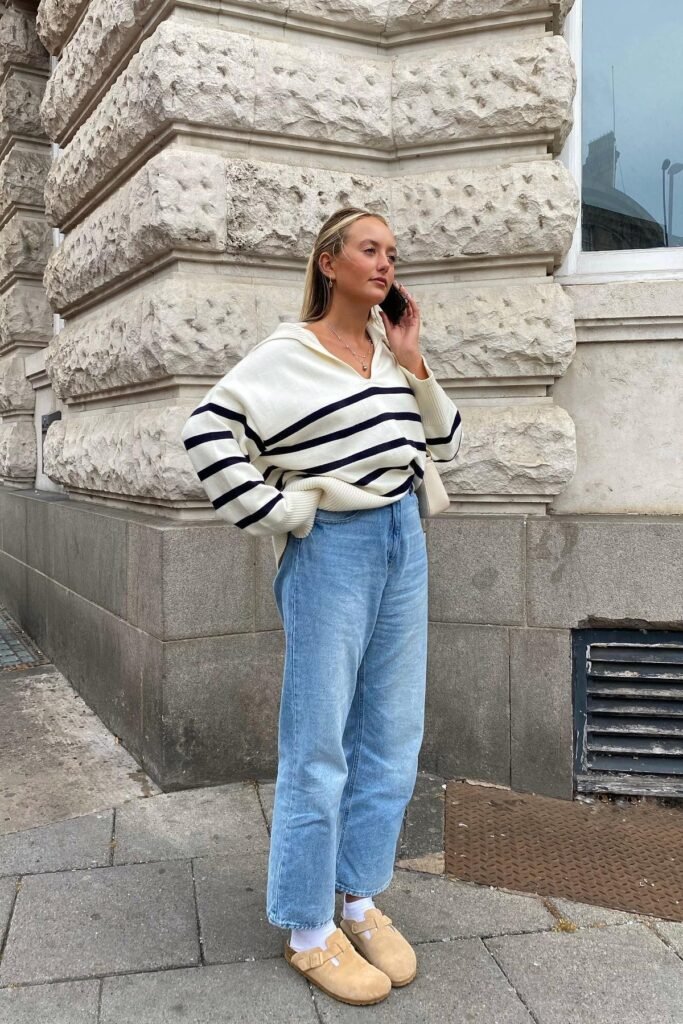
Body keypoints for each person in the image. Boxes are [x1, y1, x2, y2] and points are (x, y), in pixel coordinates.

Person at [180, 207, 463, 1006]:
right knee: (318, 742)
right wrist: (281, 514)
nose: (385, 263)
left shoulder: (387, 353)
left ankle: (358, 897)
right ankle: (307, 927)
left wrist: (413, 362)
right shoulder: (283, 355)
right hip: (332, 549)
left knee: (393, 731)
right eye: (369, 249)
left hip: (403, 538)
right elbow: (206, 434)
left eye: (392, 253)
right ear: (328, 262)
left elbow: (446, 450)